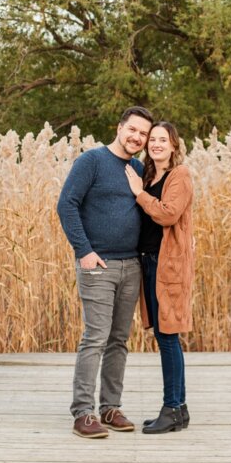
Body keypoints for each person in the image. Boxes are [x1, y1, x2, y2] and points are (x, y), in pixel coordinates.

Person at [57, 106, 154, 439]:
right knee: (95, 338)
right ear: (120, 128)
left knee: (118, 341)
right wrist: (83, 250)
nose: (137, 137)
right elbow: (66, 204)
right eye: (133, 130)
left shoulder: (139, 168)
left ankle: (110, 407)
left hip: (132, 265)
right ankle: (83, 413)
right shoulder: (92, 162)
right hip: (99, 265)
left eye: (143, 134)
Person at [123, 121, 195, 434]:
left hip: (168, 266)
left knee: (168, 336)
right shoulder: (148, 174)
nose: (155, 144)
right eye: (152, 139)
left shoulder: (179, 175)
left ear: (174, 145)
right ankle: (179, 411)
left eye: (162, 140)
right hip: (150, 263)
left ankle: (171, 407)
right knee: (165, 335)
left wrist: (139, 194)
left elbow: (168, 213)